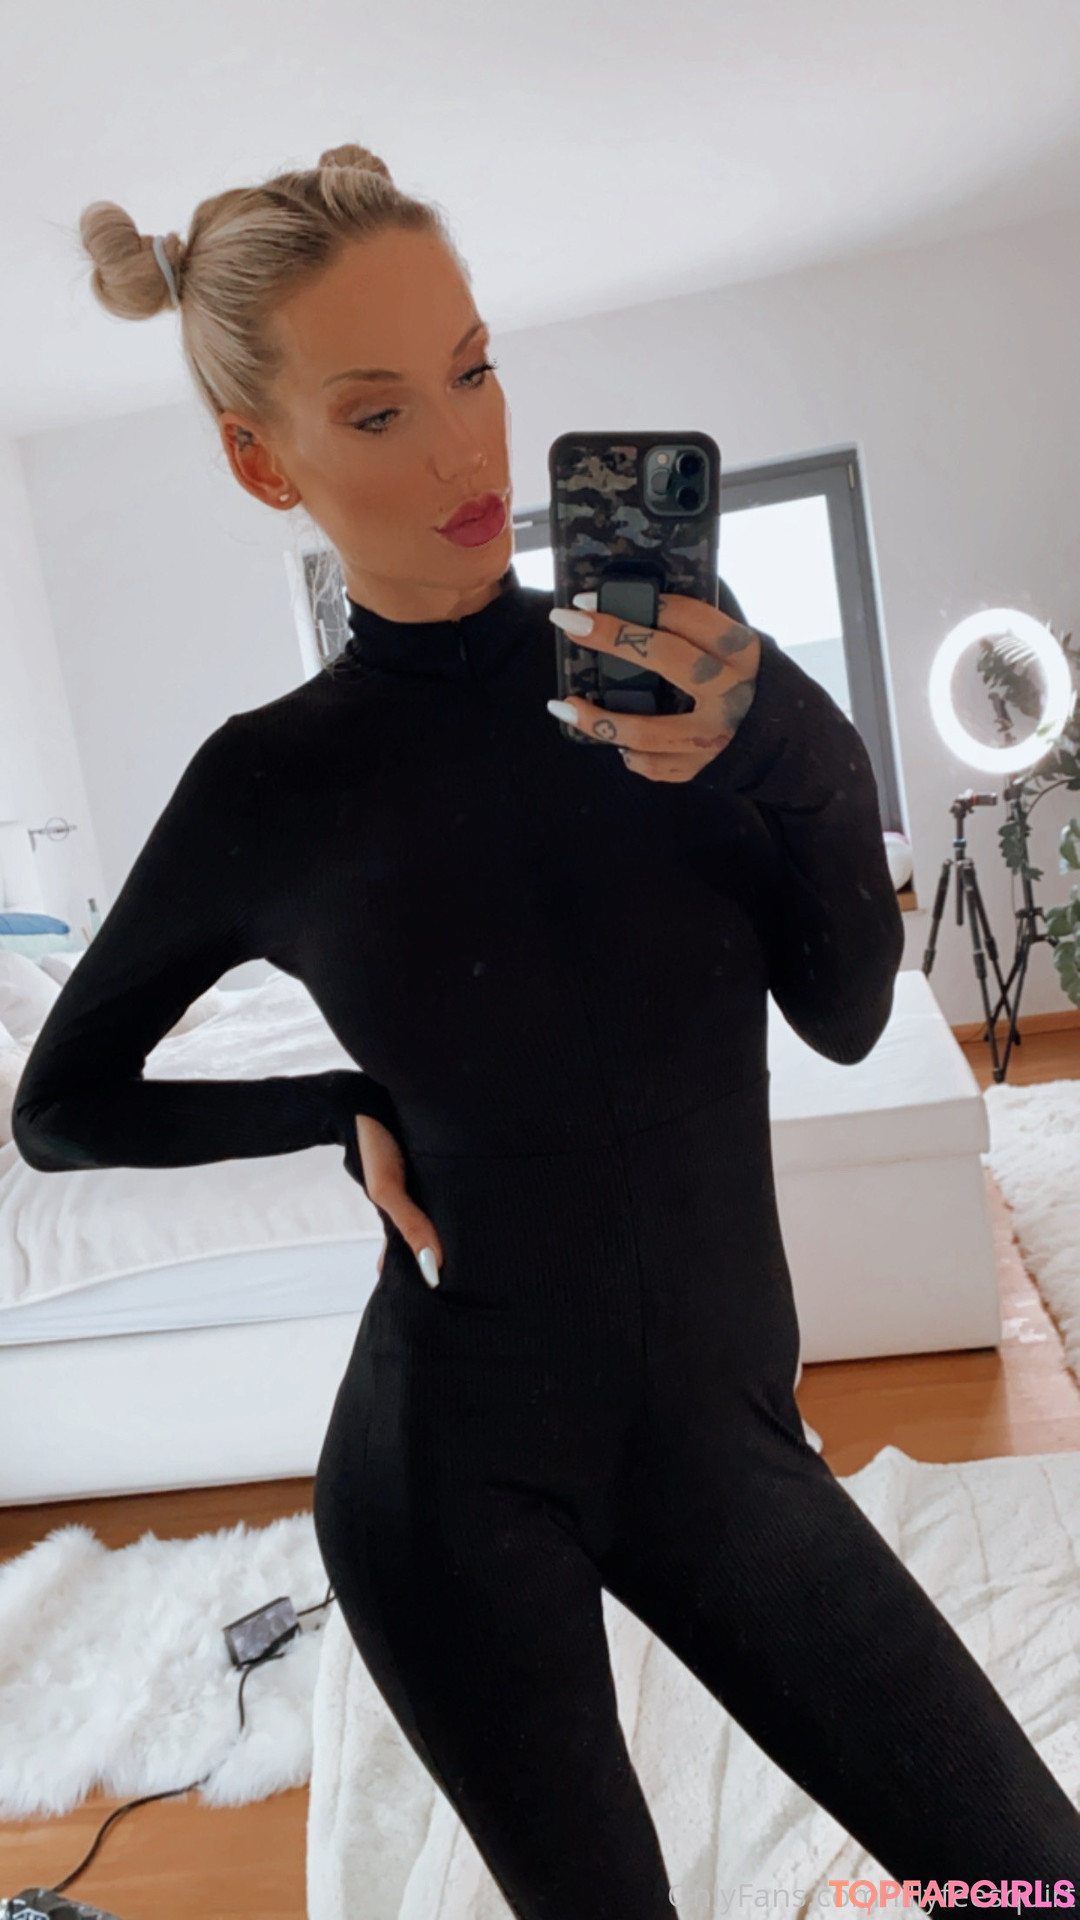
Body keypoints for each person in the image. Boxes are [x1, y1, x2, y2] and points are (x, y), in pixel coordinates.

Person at [14, 143, 1080, 1917]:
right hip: (446, 1478)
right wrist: (336, 1102)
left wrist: (793, 739)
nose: (465, 453)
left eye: (476, 371)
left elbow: (841, 1015)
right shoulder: (268, 785)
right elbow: (60, 1108)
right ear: (264, 460)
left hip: (726, 1444)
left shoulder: (687, 692)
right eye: (379, 412)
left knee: (1031, 1879)